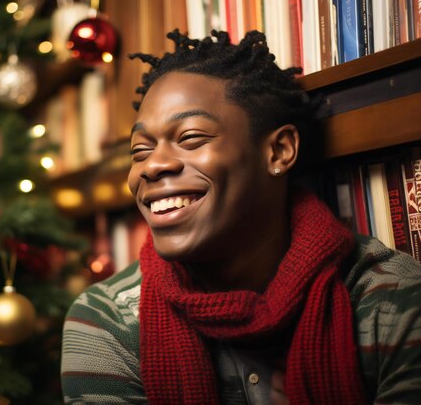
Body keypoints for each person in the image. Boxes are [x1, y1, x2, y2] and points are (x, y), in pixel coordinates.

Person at [60, 29, 421, 404]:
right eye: (140, 150)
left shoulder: (395, 302)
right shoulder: (106, 321)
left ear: (279, 151)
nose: (151, 166)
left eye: (190, 137)